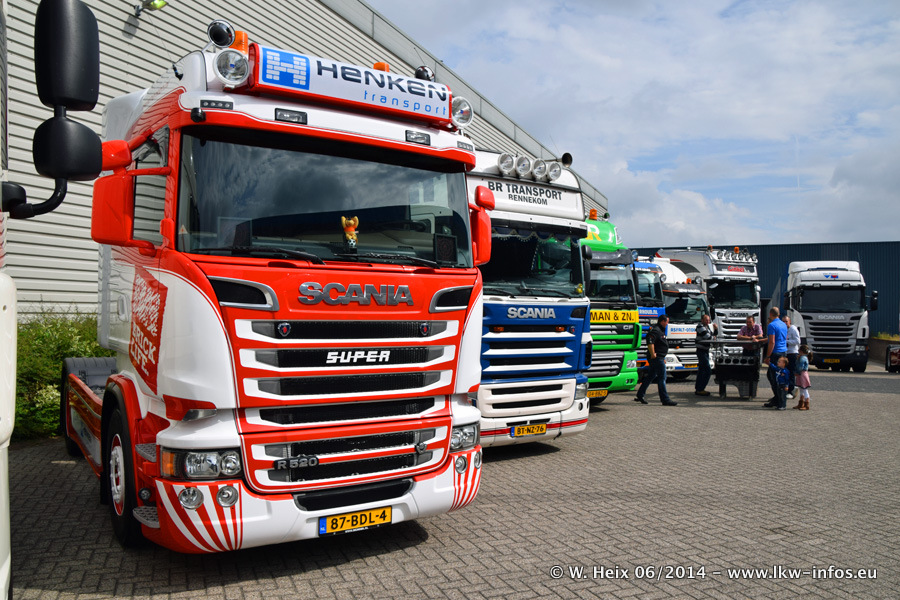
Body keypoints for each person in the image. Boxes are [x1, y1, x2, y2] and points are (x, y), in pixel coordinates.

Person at [634, 314, 677, 406]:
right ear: (662, 321)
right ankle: (665, 399)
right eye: (667, 322)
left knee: (651, 376)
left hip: (659, 357)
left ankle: (640, 394)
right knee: (662, 378)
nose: (667, 324)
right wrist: (653, 353)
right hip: (656, 358)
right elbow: (650, 340)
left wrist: (663, 357)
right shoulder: (656, 330)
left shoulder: (661, 330)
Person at [762, 307, 788, 408]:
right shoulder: (783, 324)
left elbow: (771, 342)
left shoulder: (772, 325)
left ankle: (778, 399)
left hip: (775, 353)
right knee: (779, 376)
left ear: (770, 314)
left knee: (773, 376)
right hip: (783, 351)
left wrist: (768, 356)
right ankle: (778, 398)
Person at [694, 313, 718, 396]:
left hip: (705, 351)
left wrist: (715, 330)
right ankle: (701, 388)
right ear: (702, 320)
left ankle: (698, 388)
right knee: (707, 370)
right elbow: (708, 337)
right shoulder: (700, 327)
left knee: (701, 370)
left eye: (708, 320)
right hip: (701, 351)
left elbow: (714, 336)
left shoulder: (707, 327)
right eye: (706, 320)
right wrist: (713, 336)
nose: (708, 321)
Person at [783, 315, 800, 399]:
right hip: (785, 352)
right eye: (783, 321)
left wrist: (786, 341)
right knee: (785, 372)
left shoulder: (793, 329)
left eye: (786, 321)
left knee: (791, 372)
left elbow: (797, 341)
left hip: (792, 353)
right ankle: (787, 389)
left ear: (789, 322)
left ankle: (791, 390)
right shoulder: (783, 329)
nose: (785, 323)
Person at [793, 344, 812, 410]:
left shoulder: (802, 358)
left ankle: (806, 404)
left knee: (804, 389)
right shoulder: (804, 357)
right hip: (802, 374)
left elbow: (800, 367)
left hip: (802, 374)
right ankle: (801, 403)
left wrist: (796, 372)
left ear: (801, 351)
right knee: (801, 388)